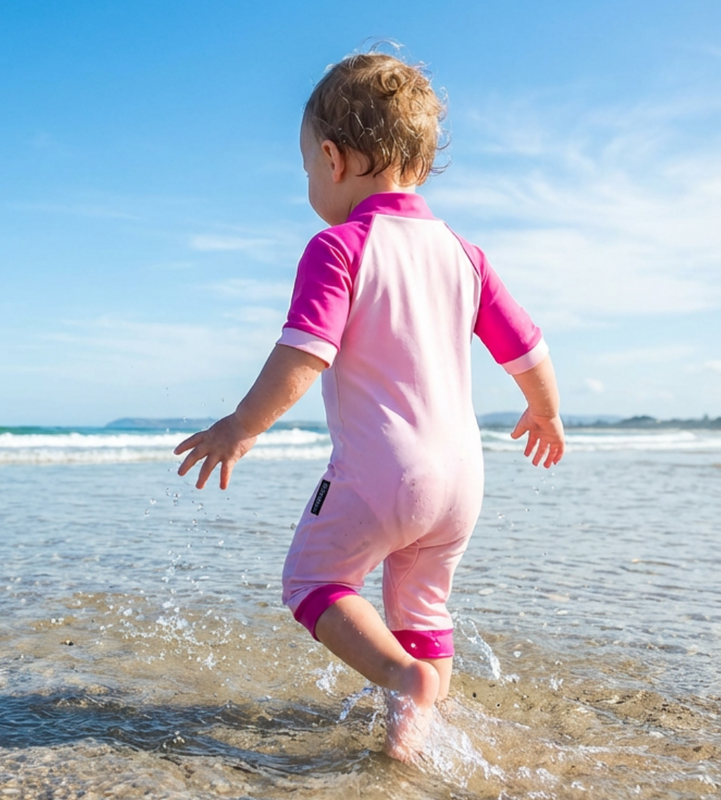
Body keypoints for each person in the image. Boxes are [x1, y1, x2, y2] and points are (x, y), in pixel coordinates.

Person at [175, 51, 565, 761]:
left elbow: (304, 354)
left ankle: (400, 678)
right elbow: (527, 349)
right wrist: (546, 413)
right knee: (421, 608)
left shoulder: (340, 246)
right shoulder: (466, 255)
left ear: (333, 159)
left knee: (313, 580)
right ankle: (409, 738)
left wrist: (240, 426)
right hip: (462, 482)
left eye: (306, 168)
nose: (309, 181)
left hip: (382, 472)